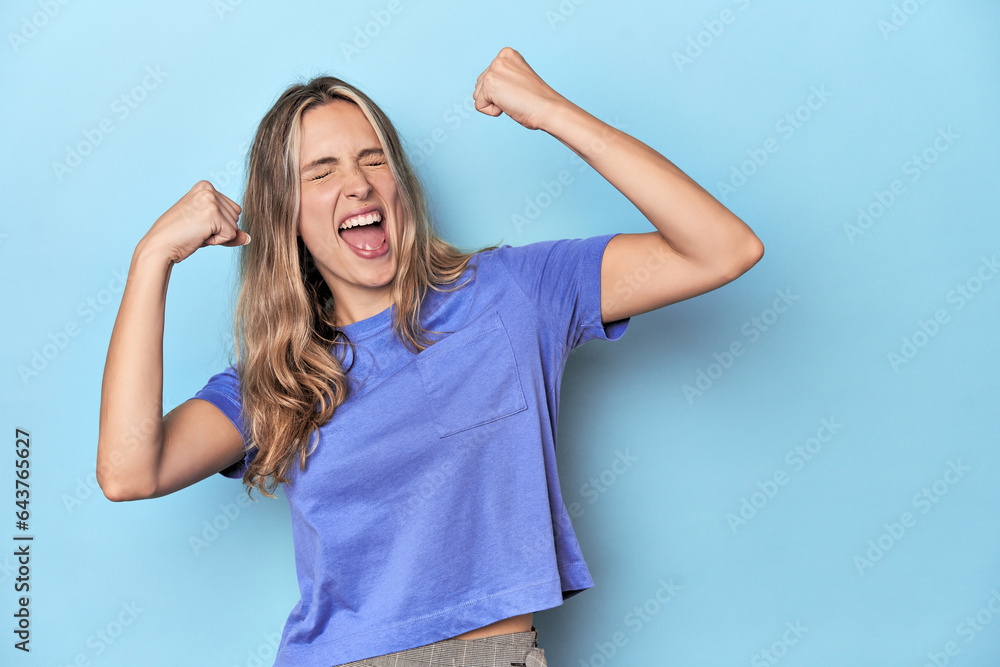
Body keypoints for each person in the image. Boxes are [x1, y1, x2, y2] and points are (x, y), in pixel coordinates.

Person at [96, 47, 763, 667]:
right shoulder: (280, 378)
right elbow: (129, 470)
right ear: (287, 217)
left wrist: (554, 113)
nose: (357, 184)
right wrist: (150, 260)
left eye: (373, 158)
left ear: (400, 183)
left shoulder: (514, 292)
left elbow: (723, 248)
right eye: (321, 171)